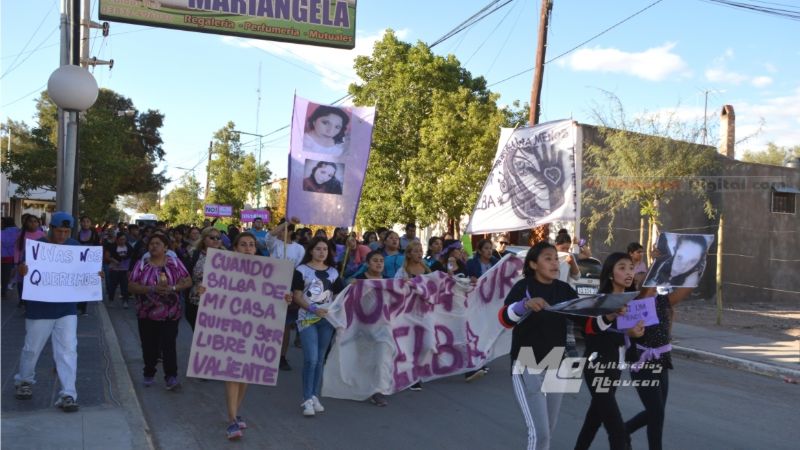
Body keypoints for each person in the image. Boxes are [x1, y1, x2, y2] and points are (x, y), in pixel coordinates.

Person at [498, 242, 620, 450]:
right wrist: (524, 305)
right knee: (540, 433)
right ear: (533, 264)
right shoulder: (523, 287)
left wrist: (608, 316)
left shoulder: (564, 289)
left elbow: (588, 325)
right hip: (527, 362)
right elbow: (504, 319)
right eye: (548, 258)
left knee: (549, 430)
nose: (555, 263)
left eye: (556, 258)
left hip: (559, 364)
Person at [201, 232, 292, 440]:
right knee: (232, 374)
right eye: (243, 245)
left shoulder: (266, 272)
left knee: (245, 374)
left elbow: (273, 298)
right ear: (235, 248)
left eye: (252, 245)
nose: (248, 248)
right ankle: (232, 420)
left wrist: (284, 298)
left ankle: (236, 411)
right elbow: (211, 293)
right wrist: (204, 290)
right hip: (229, 327)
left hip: (255, 329)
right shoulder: (221, 269)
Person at [13, 212, 86, 412]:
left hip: (67, 308)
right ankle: (24, 381)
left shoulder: (75, 247)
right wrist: (22, 271)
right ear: (51, 228)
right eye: (59, 231)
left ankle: (68, 393)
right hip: (39, 308)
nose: (63, 235)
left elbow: (83, 272)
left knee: (68, 350)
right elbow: (24, 269)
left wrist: (95, 274)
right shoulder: (38, 247)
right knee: (32, 348)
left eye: (66, 231)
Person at [574, 252, 645, 450]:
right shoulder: (601, 301)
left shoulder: (632, 302)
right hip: (596, 367)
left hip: (614, 368)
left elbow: (631, 336)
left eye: (631, 268)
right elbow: (591, 331)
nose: (628, 272)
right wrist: (621, 326)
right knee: (617, 430)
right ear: (611, 275)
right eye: (622, 268)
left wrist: (636, 334)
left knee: (593, 421)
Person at [625, 271, 695, 450]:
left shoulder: (662, 301)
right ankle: (624, 431)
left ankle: (623, 430)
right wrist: (655, 270)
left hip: (662, 362)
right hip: (642, 364)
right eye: (643, 280)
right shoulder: (632, 305)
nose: (652, 283)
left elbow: (686, 289)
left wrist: (698, 264)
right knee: (656, 412)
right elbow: (646, 293)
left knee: (657, 414)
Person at [128, 234, 192, 390]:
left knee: (168, 344)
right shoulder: (141, 264)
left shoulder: (175, 263)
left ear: (166, 248)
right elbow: (131, 286)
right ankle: (149, 372)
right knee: (149, 346)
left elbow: (188, 280)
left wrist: (174, 288)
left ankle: (171, 377)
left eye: (158, 244)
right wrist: (151, 289)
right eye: (151, 244)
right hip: (146, 313)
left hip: (171, 313)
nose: (154, 246)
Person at [291, 237, 345, 416]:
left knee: (320, 360)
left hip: (327, 321)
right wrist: (314, 309)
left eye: (325, 249)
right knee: (311, 359)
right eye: (318, 249)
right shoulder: (301, 270)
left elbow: (339, 296)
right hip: (307, 319)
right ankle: (306, 398)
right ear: (311, 251)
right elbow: (297, 296)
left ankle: (314, 395)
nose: (322, 252)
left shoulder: (334, 272)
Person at [352, 250, 389, 406]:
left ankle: (377, 391)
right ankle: (362, 385)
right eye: (375, 260)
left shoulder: (389, 281)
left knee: (381, 358)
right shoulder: (359, 280)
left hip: (384, 327)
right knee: (365, 358)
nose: (379, 263)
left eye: (381, 260)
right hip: (363, 327)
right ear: (367, 263)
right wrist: (350, 285)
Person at [184, 227, 224, 331]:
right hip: (197, 303)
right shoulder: (194, 254)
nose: (216, 240)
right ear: (204, 239)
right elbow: (186, 276)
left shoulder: (228, 257)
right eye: (212, 237)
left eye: (218, 238)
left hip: (219, 305)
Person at [14, 214, 46, 307]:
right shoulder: (21, 234)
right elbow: (17, 249)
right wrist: (16, 262)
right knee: (21, 282)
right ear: (26, 223)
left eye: (35, 221)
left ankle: (33, 299)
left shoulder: (42, 234)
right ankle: (22, 299)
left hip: (38, 263)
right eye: (30, 221)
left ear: (38, 223)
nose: (33, 223)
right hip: (23, 263)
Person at [104, 232, 134, 308]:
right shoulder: (112, 247)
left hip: (124, 270)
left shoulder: (129, 247)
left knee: (124, 286)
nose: (122, 241)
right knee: (112, 286)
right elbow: (107, 256)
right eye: (121, 239)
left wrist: (130, 269)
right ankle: (111, 300)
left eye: (124, 239)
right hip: (114, 269)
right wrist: (114, 260)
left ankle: (125, 301)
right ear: (117, 240)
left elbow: (131, 258)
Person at [1, 217, 19, 297]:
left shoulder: (2, 232)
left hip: (3, 256)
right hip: (13, 256)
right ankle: (6, 289)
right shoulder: (18, 231)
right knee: (9, 275)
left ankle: (3, 291)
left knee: (4, 275)